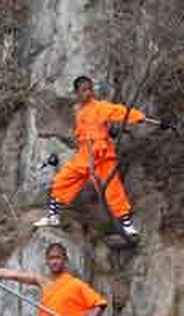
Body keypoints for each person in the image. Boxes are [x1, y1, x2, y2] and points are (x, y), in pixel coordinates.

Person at [34, 75, 154, 239]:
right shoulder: (77, 111)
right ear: (76, 93)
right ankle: (53, 216)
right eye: (84, 90)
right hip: (84, 154)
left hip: (102, 155)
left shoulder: (100, 107)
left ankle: (127, 225)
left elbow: (121, 112)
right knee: (62, 180)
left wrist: (142, 118)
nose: (88, 93)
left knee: (113, 189)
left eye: (90, 89)